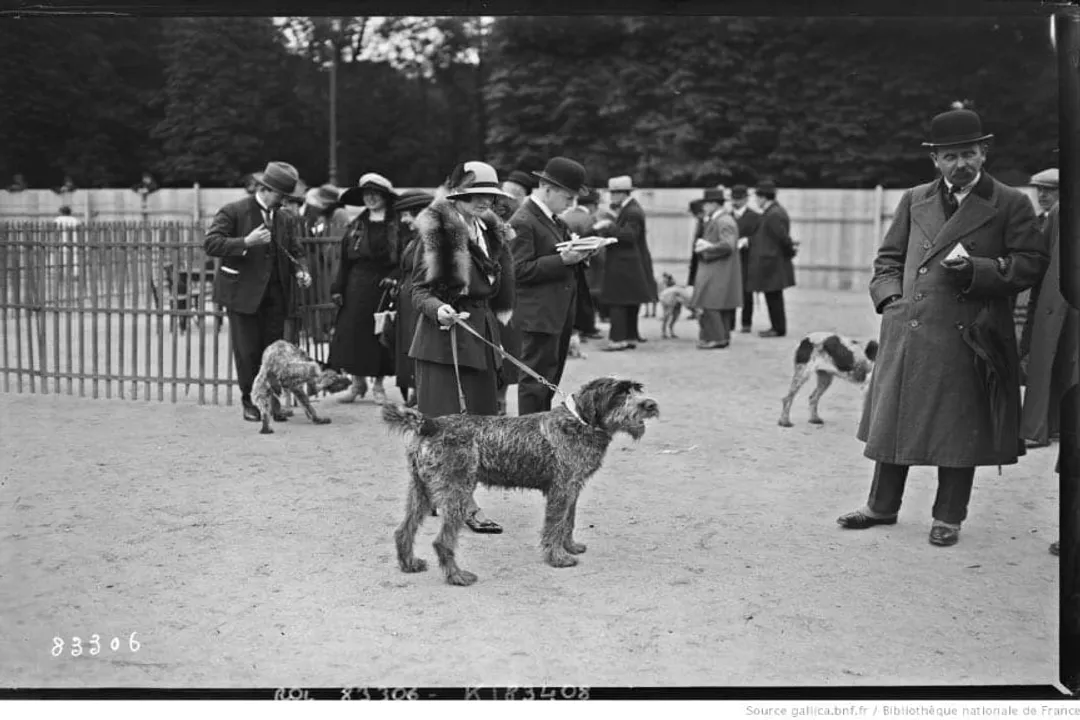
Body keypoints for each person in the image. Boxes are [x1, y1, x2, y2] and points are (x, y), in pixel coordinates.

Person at [838, 107, 1049, 547]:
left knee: (960, 429)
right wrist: (890, 300)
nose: (960, 164)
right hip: (910, 328)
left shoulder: (1010, 202)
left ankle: (948, 516)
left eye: (968, 154)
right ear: (936, 160)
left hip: (970, 332)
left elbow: (1032, 264)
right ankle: (881, 505)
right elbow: (888, 260)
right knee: (894, 420)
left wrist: (979, 270)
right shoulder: (915, 199)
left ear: (984, 153)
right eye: (950, 157)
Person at [408, 161, 516, 533]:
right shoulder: (438, 231)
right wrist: (440, 309)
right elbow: (417, 290)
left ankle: (444, 493)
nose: (484, 200)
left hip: (481, 335)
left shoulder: (488, 230)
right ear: (459, 196)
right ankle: (463, 504)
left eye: (490, 194)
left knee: (479, 425)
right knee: (450, 429)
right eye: (475, 194)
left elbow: (497, 285)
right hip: (445, 342)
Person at [204, 161, 312, 422]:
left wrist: (301, 270)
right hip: (242, 294)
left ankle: (271, 403)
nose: (284, 201)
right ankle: (250, 403)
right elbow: (211, 243)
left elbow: (296, 250)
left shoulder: (284, 218)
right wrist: (245, 242)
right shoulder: (234, 211)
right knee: (247, 351)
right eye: (280, 196)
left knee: (272, 353)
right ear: (265, 189)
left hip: (276, 295)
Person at [509, 156, 594, 413]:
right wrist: (562, 260)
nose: (571, 204)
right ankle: (528, 438)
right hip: (538, 314)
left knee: (549, 379)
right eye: (568, 198)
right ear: (548, 189)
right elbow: (518, 270)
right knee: (535, 381)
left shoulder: (554, 220)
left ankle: (540, 434)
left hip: (556, 312)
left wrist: (583, 254)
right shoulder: (523, 221)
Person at [328, 173, 404, 405]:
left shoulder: (397, 225)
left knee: (381, 335)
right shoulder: (356, 224)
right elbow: (345, 260)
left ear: (385, 197)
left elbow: (404, 258)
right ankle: (357, 383)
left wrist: (394, 277)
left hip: (384, 287)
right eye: (366, 194)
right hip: (356, 286)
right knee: (353, 335)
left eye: (375, 194)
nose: (370, 198)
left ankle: (379, 386)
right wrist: (338, 287)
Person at [1020, 197, 1077, 448]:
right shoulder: (1060, 209)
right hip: (1060, 298)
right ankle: (1049, 423)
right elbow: (1042, 261)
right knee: (1056, 357)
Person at [595, 175, 653, 352]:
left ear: (622, 193)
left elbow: (629, 236)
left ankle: (617, 339)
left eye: (614, 193)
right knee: (629, 301)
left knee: (618, 301)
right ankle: (629, 336)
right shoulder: (630, 209)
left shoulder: (631, 211)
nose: (611, 196)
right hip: (628, 263)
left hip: (625, 264)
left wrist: (608, 226)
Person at [392, 189, 435, 406]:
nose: (403, 220)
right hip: (408, 298)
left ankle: (421, 392)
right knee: (409, 344)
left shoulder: (428, 238)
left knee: (417, 343)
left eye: (406, 214)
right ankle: (415, 390)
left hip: (417, 299)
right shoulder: (415, 238)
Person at [690, 188, 741, 349]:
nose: (704, 207)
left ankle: (715, 338)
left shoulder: (723, 221)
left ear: (713, 204)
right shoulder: (719, 219)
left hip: (717, 268)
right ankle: (722, 337)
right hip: (718, 268)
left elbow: (728, 245)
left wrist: (707, 247)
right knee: (719, 306)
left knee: (710, 304)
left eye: (706, 204)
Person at [746, 179, 796, 338]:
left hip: (772, 262)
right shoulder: (772, 212)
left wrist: (788, 253)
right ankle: (776, 326)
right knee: (772, 295)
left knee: (774, 296)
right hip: (771, 260)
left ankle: (778, 327)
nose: (756, 201)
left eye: (757, 197)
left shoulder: (774, 214)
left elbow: (783, 238)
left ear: (763, 197)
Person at [560, 189, 603, 341]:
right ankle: (586, 328)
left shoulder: (565, 216)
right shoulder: (589, 219)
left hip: (566, 262)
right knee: (585, 298)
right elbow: (595, 245)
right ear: (593, 205)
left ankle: (574, 329)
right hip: (585, 264)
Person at [730, 184, 762, 333]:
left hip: (747, 257)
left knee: (746, 291)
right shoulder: (728, 216)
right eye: (734, 199)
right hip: (730, 258)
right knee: (729, 289)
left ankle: (746, 322)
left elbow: (761, 236)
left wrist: (748, 240)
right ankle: (729, 322)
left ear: (745, 199)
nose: (736, 202)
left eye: (739, 199)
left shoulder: (755, 217)